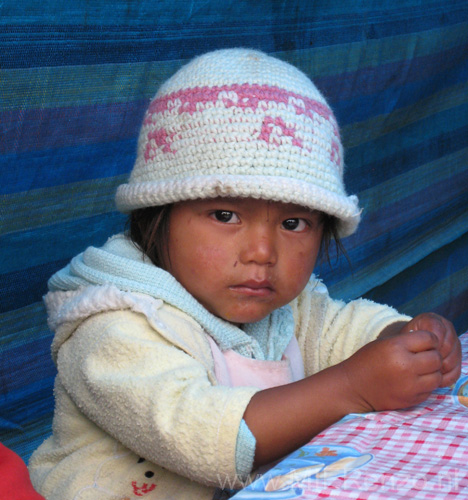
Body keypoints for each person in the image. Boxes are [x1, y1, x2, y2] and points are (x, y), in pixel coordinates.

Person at [29, 48, 461, 500]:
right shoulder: (114, 325)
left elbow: (341, 329)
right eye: (224, 214)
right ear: (158, 215)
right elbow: (198, 433)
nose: (262, 252)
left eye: (293, 224)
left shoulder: (283, 307)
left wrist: (407, 337)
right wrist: (353, 386)